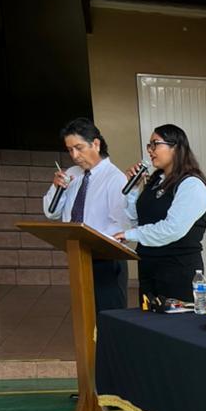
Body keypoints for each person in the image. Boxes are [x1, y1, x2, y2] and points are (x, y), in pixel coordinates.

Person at [115, 124, 206, 304]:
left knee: (176, 320)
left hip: (177, 270)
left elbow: (172, 229)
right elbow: (137, 221)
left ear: (175, 147)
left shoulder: (192, 185)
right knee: (147, 319)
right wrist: (133, 190)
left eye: (155, 144)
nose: (150, 150)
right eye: (149, 145)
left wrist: (129, 235)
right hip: (148, 266)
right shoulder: (156, 181)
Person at [43, 117, 133, 310]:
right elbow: (52, 213)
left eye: (79, 148)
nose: (74, 155)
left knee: (108, 316)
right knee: (84, 313)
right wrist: (56, 188)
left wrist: (93, 243)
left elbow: (122, 225)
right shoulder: (72, 174)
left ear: (96, 144)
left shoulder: (115, 178)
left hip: (106, 259)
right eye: (69, 150)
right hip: (79, 256)